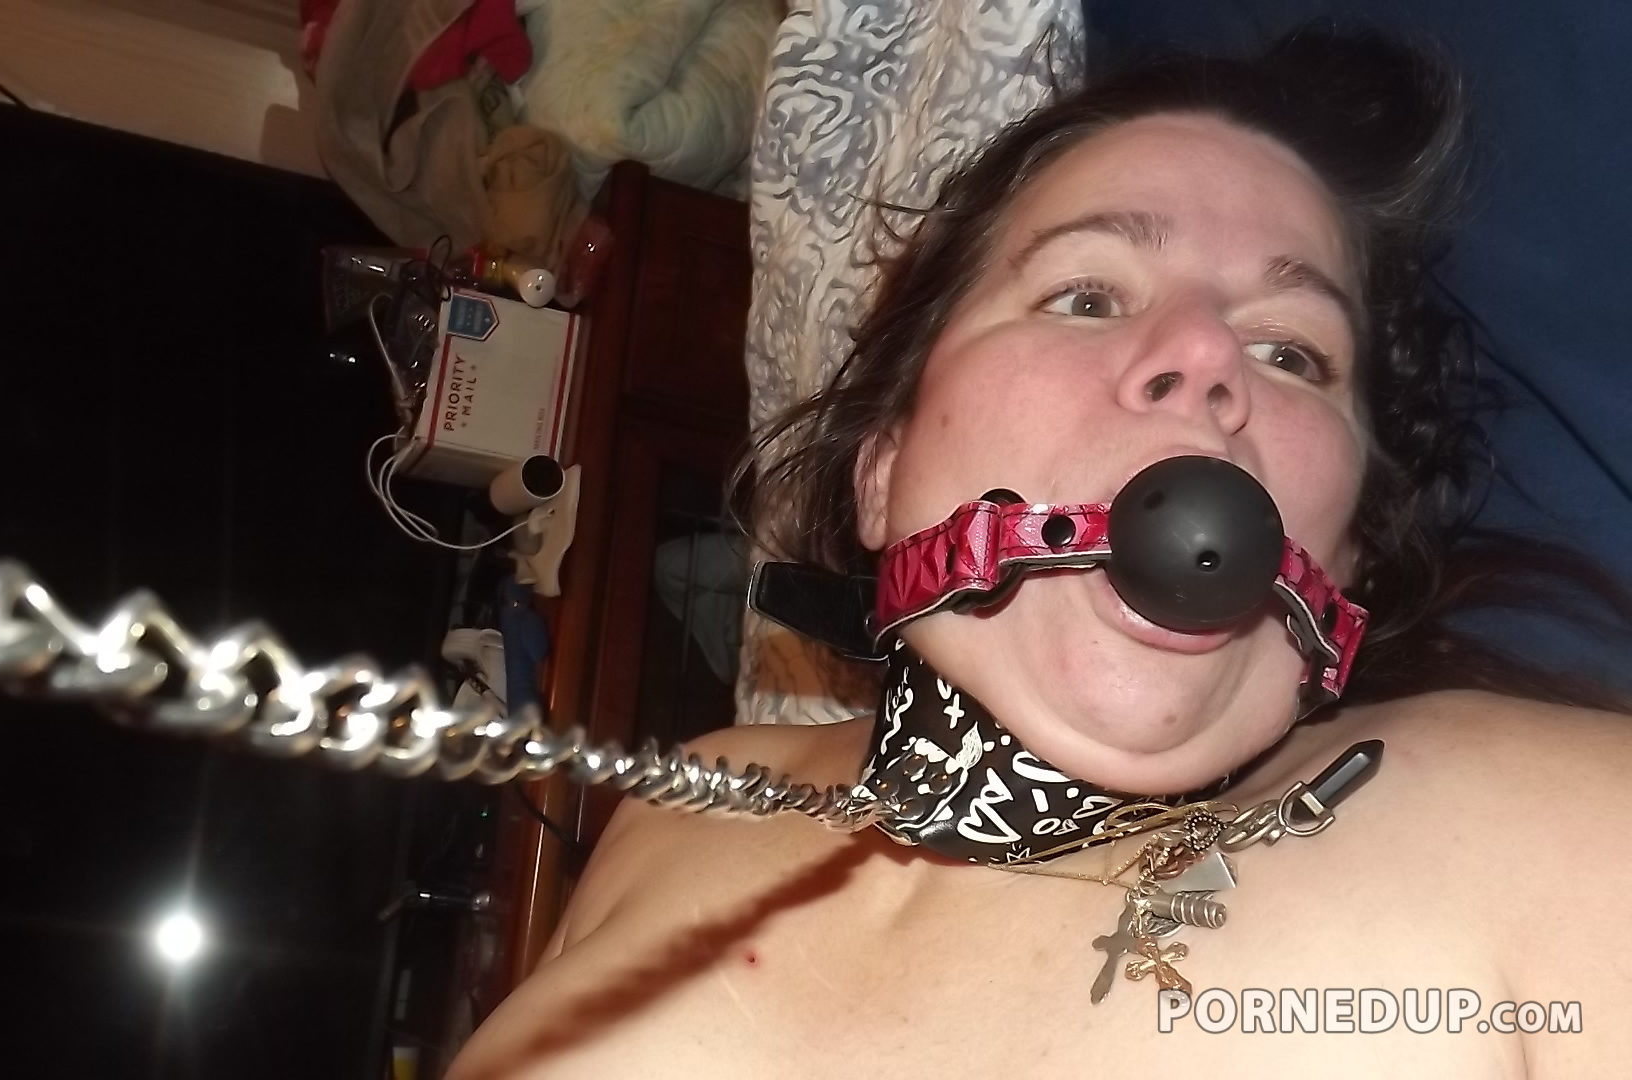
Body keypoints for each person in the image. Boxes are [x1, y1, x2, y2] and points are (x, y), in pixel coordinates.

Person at [449, 27, 1632, 1077]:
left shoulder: (1554, 833)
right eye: (1087, 295)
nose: (1207, 356)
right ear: (882, 471)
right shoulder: (683, 803)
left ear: (1347, 557)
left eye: (1292, 353)